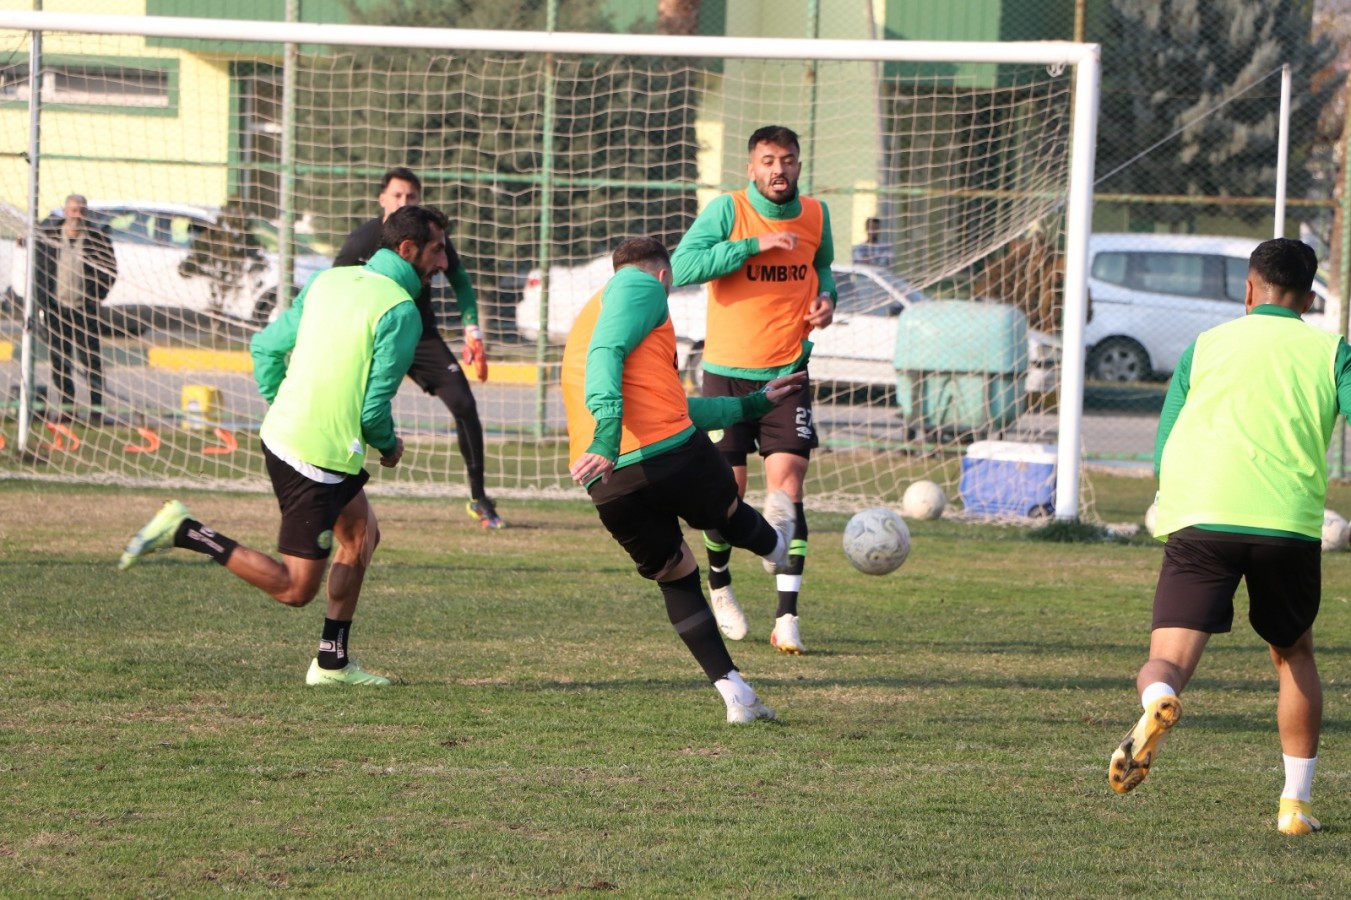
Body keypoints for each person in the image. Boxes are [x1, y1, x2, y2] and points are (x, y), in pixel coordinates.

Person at [116, 205, 450, 686]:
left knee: (360, 536)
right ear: (407, 250)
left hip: (302, 439)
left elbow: (266, 347)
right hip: (314, 457)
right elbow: (374, 412)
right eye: (437, 251)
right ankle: (186, 531)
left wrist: (285, 406)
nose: (442, 263)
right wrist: (390, 446)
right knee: (295, 589)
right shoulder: (400, 311)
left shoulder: (328, 281)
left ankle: (332, 662)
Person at [1108, 238, 1351, 836]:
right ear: (1309, 296)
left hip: (1202, 519)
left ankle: (1156, 702)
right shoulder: (1331, 350)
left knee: (1166, 659)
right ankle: (1294, 808)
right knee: (1293, 656)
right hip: (1285, 526)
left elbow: (1165, 442)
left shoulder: (1206, 345)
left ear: (1248, 289)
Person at [562, 236, 806, 723]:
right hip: (665, 453)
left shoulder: (595, 312)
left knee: (675, 573)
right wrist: (608, 435)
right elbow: (607, 353)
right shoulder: (642, 287)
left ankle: (736, 695)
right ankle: (778, 548)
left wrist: (754, 404)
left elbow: (674, 405)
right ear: (663, 276)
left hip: (610, 481)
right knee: (728, 513)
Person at [669, 125, 837, 655]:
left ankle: (787, 616)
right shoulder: (728, 210)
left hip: (787, 371)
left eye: (787, 160)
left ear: (799, 165)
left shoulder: (816, 214)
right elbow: (682, 266)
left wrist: (828, 300)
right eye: (768, 160)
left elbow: (823, 268)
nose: (778, 170)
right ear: (751, 167)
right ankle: (720, 585)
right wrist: (753, 245)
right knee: (728, 496)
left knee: (788, 489)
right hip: (725, 374)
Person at [335, 167, 504, 530]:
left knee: (464, 403)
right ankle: (334, 487)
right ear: (383, 199)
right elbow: (335, 280)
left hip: (421, 334)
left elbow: (459, 279)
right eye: (397, 196)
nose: (404, 202)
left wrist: (472, 328)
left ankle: (480, 498)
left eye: (411, 196)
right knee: (348, 405)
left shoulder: (431, 238)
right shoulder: (363, 240)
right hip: (375, 332)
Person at [33, 194, 118, 424]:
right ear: (65, 211)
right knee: (61, 363)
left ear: (86, 212)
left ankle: (96, 411)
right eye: (73, 210)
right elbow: (40, 273)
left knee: (91, 362)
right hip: (57, 309)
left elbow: (110, 272)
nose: (76, 215)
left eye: (81, 210)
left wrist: (95, 298)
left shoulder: (98, 239)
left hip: (84, 310)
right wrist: (44, 303)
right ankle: (68, 410)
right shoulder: (50, 237)